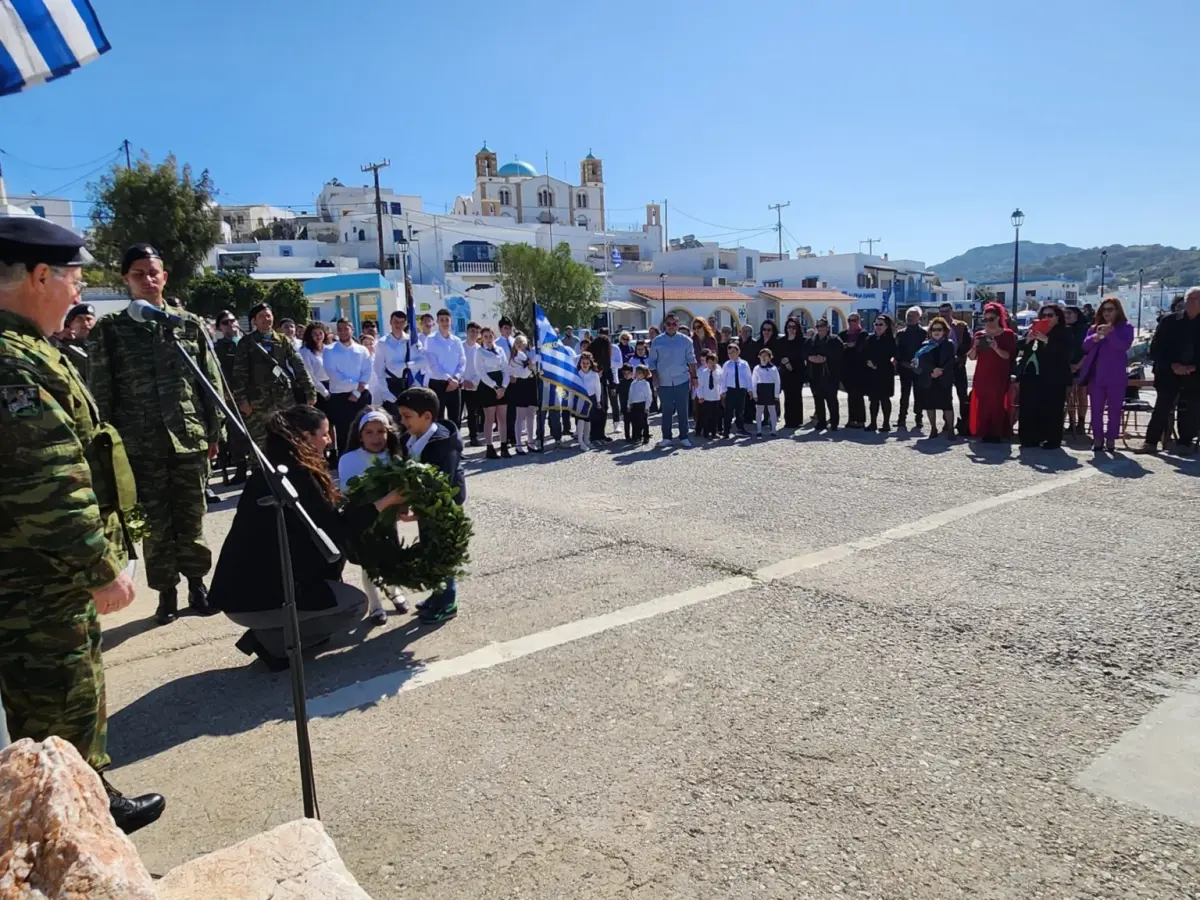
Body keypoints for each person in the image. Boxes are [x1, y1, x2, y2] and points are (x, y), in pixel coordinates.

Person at [0, 216, 164, 833]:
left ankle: (90, 799)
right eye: (72, 276)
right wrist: (99, 569)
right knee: (55, 712)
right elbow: (47, 482)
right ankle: (69, 840)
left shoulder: (31, 347)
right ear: (40, 275)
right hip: (35, 581)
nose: (78, 291)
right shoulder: (11, 363)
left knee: (73, 700)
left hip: (46, 575)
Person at [210, 406, 407, 668]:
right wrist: (387, 501)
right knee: (354, 606)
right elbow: (336, 530)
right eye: (324, 434)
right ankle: (275, 645)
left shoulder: (272, 470)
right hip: (255, 598)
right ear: (305, 436)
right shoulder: (296, 477)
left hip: (240, 592)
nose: (329, 440)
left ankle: (272, 634)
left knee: (328, 588)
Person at [89, 243, 224, 625]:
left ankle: (197, 584)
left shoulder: (188, 324)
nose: (148, 280)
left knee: (192, 516)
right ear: (125, 280)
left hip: (189, 438)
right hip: (138, 443)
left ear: (164, 277)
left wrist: (214, 433)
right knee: (155, 524)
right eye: (139, 274)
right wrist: (108, 449)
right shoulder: (111, 330)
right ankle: (166, 593)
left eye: (154, 272)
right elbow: (102, 392)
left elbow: (209, 383)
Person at [394, 387, 466, 623]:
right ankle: (437, 594)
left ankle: (448, 601)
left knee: (441, 554)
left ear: (426, 417)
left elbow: (441, 482)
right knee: (421, 552)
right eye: (401, 416)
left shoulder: (443, 445)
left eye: (407, 417)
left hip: (440, 509)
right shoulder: (408, 438)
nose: (402, 422)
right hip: (415, 507)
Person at [337, 408, 409, 624]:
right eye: (369, 432)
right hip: (366, 520)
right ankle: (375, 605)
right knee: (370, 564)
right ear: (360, 435)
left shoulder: (394, 458)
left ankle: (393, 590)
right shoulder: (349, 459)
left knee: (392, 559)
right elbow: (348, 491)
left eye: (381, 432)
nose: (376, 437)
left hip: (391, 520)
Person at [233, 302, 316, 449]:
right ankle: (261, 472)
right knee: (260, 445)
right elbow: (239, 374)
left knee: (289, 440)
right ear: (254, 321)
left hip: (284, 400)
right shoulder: (246, 343)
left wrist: (310, 392)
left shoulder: (283, 340)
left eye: (268, 316)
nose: (266, 319)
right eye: (261, 316)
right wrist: (242, 401)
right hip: (258, 404)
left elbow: (299, 367)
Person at [1136, 287, 1200, 454]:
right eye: (1190, 299)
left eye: (1197, 299)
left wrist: (1192, 367)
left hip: (1195, 374)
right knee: (1162, 407)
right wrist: (1173, 365)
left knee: (1191, 408)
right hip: (1168, 372)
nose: (1193, 302)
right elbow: (1156, 348)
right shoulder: (1169, 321)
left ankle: (1185, 443)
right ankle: (1150, 442)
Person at [1078, 297, 1135, 452]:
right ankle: (1097, 438)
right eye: (1104, 309)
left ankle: (1111, 439)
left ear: (1118, 311)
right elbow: (1085, 345)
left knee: (1115, 409)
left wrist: (1110, 334)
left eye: (1110, 309)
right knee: (1096, 409)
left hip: (1116, 375)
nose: (1107, 313)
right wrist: (1096, 336)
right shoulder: (1095, 327)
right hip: (1096, 375)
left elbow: (1123, 346)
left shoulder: (1126, 327)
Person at [1016, 304, 1072, 449]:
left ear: (1058, 317)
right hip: (1032, 374)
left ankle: (1052, 439)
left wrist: (1046, 340)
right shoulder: (1033, 329)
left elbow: (1066, 352)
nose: (1046, 318)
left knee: (1052, 408)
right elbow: (1019, 346)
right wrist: (1027, 340)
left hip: (1054, 376)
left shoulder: (1064, 332)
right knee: (1030, 406)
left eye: (1050, 315)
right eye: (1043, 316)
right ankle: (1030, 438)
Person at [323, 318, 373, 460]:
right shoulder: (330, 350)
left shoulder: (362, 350)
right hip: (340, 397)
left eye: (346, 328)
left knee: (363, 428)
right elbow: (333, 374)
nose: (343, 332)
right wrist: (355, 385)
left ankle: (365, 458)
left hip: (361, 395)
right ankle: (346, 461)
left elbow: (367, 372)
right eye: (340, 329)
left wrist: (358, 391)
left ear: (352, 329)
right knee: (343, 431)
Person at [967, 303, 1017, 442]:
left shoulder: (1007, 334)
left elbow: (1008, 356)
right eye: (985, 319)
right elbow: (971, 357)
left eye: (991, 319)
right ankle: (984, 431)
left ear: (998, 318)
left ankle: (997, 433)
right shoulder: (980, 334)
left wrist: (995, 347)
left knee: (997, 403)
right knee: (982, 403)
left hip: (999, 374)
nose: (988, 322)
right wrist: (975, 346)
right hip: (982, 374)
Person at [648, 314, 698, 448]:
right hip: (664, 381)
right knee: (667, 410)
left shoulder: (686, 341)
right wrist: (655, 376)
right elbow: (652, 361)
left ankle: (684, 436)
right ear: (664, 325)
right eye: (668, 324)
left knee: (683, 410)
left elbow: (691, 360)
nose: (671, 326)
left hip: (681, 380)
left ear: (678, 324)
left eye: (674, 324)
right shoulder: (657, 341)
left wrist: (695, 377)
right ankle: (666, 437)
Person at [213, 310, 251, 484]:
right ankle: (241, 468)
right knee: (236, 434)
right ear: (219, 327)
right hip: (232, 396)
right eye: (225, 323)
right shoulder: (218, 347)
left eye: (232, 320)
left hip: (253, 393)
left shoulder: (248, 342)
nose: (230, 324)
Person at [912, 316, 957, 438]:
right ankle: (933, 429)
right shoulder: (925, 345)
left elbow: (951, 360)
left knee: (947, 405)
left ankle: (951, 430)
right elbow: (922, 362)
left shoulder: (949, 344)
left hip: (944, 378)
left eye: (940, 329)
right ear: (930, 331)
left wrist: (940, 371)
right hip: (929, 378)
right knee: (930, 405)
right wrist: (932, 371)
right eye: (934, 329)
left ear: (944, 331)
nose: (937, 332)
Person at [425, 308, 465, 429]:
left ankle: (455, 445)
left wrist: (456, 378)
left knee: (455, 419)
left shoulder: (457, 341)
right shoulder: (431, 339)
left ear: (451, 321)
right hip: (438, 383)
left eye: (447, 320)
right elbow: (434, 365)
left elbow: (462, 361)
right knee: (439, 419)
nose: (444, 323)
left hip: (455, 383)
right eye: (442, 320)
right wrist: (448, 379)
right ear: (437, 321)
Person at [938, 302, 974, 435]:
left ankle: (965, 423)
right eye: (941, 312)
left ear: (951, 311)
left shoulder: (961, 326)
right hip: (943, 367)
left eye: (946, 311)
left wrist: (959, 356)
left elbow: (967, 343)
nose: (944, 314)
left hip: (958, 366)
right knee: (945, 397)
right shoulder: (936, 326)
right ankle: (948, 423)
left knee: (962, 396)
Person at [375, 310, 417, 421]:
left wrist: (406, 365)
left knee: (410, 420)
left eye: (401, 322)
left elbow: (422, 361)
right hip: (392, 385)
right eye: (395, 321)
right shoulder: (382, 343)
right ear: (390, 322)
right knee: (395, 421)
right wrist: (385, 392)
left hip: (409, 383)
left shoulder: (411, 340)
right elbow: (379, 370)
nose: (398, 325)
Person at [475, 326, 510, 458]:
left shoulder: (500, 350)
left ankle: (504, 446)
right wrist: (495, 387)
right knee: (489, 418)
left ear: (494, 336)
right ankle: (489, 447)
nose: (489, 339)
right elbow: (481, 372)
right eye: (486, 337)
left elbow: (506, 370)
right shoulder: (479, 352)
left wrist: (504, 387)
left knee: (502, 418)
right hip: (487, 386)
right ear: (482, 338)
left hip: (501, 384)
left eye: (490, 336)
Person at [804, 318, 843, 431]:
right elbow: (804, 353)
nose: (821, 328)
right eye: (818, 326)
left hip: (830, 375)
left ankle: (834, 422)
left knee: (831, 400)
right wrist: (811, 358)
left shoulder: (834, 340)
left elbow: (839, 355)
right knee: (818, 400)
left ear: (827, 327)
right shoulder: (811, 340)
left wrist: (825, 358)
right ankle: (821, 422)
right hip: (815, 376)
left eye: (823, 326)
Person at [863, 313, 897, 432]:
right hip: (872, 373)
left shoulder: (890, 340)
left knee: (884, 399)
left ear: (886, 326)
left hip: (885, 373)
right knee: (873, 400)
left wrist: (877, 364)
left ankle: (886, 423)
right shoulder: (870, 338)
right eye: (876, 324)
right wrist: (868, 362)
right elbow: (864, 352)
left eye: (880, 324)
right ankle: (873, 423)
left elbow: (891, 355)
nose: (878, 326)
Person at [895, 306, 927, 429]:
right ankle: (901, 418)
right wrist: (902, 362)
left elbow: (926, 351)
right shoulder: (901, 333)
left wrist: (919, 363)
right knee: (904, 395)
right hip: (904, 368)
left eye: (913, 315)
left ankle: (918, 418)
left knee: (919, 394)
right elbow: (897, 350)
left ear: (919, 317)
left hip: (919, 368)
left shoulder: (924, 333)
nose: (910, 317)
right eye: (909, 315)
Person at [838, 312, 870, 428]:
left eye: (854, 320)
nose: (852, 323)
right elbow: (839, 347)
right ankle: (851, 419)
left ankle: (860, 420)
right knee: (850, 395)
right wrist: (849, 345)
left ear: (859, 321)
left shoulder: (863, 333)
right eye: (850, 320)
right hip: (846, 369)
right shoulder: (843, 334)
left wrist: (848, 346)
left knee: (858, 394)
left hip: (859, 369)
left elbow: (859, 348)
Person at [51, 301, 95, 381]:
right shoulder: (61, 345)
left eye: (89, 319)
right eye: (80, 319)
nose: (85, 323)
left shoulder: (101, 342)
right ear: (70, 323)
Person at [508, 334, 537, 455]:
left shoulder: (530, 355)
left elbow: (536, 369)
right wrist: (531, 367)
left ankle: (530, 442)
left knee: (531, 415)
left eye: (523, 343)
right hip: (521, 386)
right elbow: (523, 374)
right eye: (518, 343)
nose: (520, 345)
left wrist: (533, 364)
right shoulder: (514, 359)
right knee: (520, 417)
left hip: (531, 385)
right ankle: (519, 444)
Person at [1063, 305, 1089, 437]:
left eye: (1069, 313)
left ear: (1077, 314)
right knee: (1068, 396)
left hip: (1082, 365)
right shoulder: (1063, 329)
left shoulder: (1085, 329)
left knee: (1081, 394)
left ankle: (1081, 423)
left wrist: (1079, 365)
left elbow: (1088, 350)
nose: (1066, 315)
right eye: (1065, 313)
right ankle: (1072, 422)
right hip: (1066, 366)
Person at [777, 318, 806, 429]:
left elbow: (802, 355)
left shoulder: (802, 341)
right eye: (789, 327)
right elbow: (778, 354)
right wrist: (784, 361)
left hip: (798, 371)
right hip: (786, 372)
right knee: (788, 397)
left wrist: (790, 362)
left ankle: (798, 420)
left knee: (797, 396)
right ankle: (788, 420)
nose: (791, 329)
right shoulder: (782, 341)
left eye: (794, 327)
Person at [721, 341, 752, 438]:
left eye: (733, 352)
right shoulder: (727, 364)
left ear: (738, 352)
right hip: (730, 390)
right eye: (729, 353)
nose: (731, 355)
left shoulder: (744, 364)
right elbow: (723, 378)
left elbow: (748, 377)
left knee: (740, 411)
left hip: (741, 390)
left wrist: (750, 389)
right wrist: (723, 391)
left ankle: (740, 429)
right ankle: (726, 431)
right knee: (728, 411)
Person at [575, 350, 602, 451]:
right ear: (580, 363)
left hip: (591, 399)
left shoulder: (594, 374)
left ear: (590, 364)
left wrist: (598, 401)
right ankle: (580, 441)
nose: (585, 365)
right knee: (581, 420)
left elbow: (597, 388)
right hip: (580, 399)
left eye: (587, 363)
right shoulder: (577, 374)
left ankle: (587, 440)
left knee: (588, 420)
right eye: (583, 363)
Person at [461, 321, 482, 447]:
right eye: (471, 331)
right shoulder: (461, 347)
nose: (473, 334)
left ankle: (473, 437)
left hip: (473, 387)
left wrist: (473, 382)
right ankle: (456, 440)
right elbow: (457, 364)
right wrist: (462, 380)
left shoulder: (480, 350)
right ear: (467, 332)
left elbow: (481, 369)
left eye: (476, 332)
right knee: (457, 415)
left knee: (473, 414)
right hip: (460, 385)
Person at [693, 350, 723, 439]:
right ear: (706, 363)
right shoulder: (702, 373)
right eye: (710, 362)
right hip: (705, 397)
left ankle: (714, 432)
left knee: (715, 416)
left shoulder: (718, 372)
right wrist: (700, 396)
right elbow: (699, 386)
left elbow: (720, 382)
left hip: (715, 397)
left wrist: (714, 373)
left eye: (714, 362)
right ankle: (705, 432)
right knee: (705, 416)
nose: (712, 364)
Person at [752, 347, 781, 437]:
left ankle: (773, 429)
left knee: (772, 410)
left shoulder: (774, 368)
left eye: (766, 356)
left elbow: (777, 381)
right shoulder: (757, 368)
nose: (764, 358)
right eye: (762, 356)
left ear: (770, 357)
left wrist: (776, 394)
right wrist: (754, 394)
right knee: (759, 410)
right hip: (761, 389)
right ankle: (759, 430)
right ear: (759, 357)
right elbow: (753, 381)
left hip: (770, 389)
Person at [627, 365, 652, 445]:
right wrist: (629, 404)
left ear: (644, 374)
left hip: (643, 404)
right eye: (637, 372)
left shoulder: (646, 384)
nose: (638, 374)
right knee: (635, 422)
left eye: (640, 373)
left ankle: (646, 436)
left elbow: (648, 396)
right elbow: (630, 395)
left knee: (644, 422)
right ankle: (636, 437)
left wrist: (647, 406)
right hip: (635, 404)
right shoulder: (633, 383)